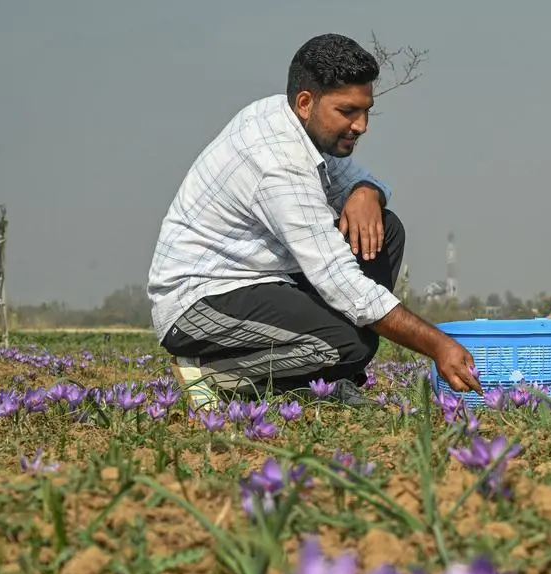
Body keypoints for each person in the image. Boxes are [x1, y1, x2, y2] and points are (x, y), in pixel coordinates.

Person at [146, 33, 482, 409]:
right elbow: (339, 280)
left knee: (383, 230)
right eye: (348, 111)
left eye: (366, 110)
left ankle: (326, 376)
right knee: (350, 342)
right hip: (200, 301)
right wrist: (438, 345)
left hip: (263, 279)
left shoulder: (293, 120)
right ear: (306, 102)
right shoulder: (277, 163)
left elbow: (363, 182)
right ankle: (214, 373)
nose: (361, 125)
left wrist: (367, 192)